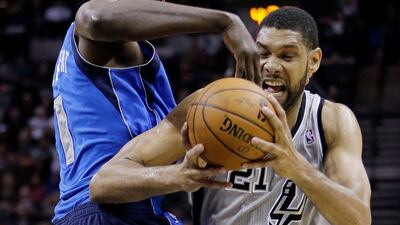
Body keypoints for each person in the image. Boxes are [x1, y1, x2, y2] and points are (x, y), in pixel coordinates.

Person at [91, 6, 372, 225]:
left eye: (287, 56)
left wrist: (296, 167)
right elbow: (104, 183)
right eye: (262, 53)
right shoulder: (208, 108)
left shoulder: (331, 120)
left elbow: (359, 218)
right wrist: (176, 176)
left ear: (313, 62)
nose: (270, 66)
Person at [51, 0, 261, 224]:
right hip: (108, 208)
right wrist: (225, 22)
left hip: (101, 209)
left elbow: (177, 124)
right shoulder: (104, 44)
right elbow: (93, 16)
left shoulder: (95, 59)